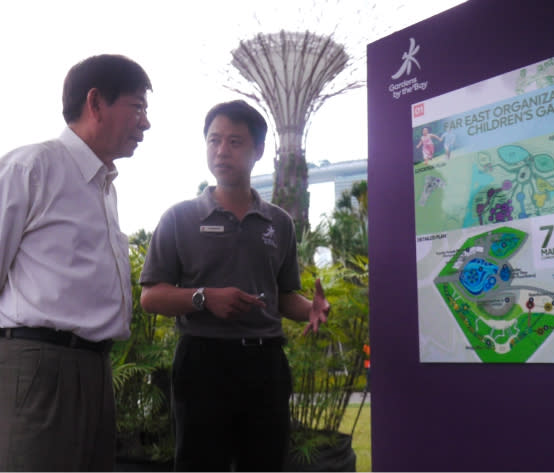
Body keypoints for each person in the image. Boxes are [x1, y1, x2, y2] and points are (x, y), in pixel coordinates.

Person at [139, 99, 330, 472]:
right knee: (199, 464)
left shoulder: (279, 223)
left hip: (265, 363)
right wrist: (203, 298)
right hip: (202, 361)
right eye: (214, 140)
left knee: (265, 463)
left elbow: (282, 296)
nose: (221, 151)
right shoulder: (180, 218)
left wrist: (310, 308)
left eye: (235, 142)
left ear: (258, 151)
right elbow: (150, 297)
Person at [0, 54, 152, 471]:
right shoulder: (31, 167)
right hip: (38, 367)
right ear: (96, 103)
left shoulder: (104, 188)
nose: (145, 123)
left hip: (95, 367)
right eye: (137, 107)